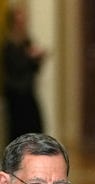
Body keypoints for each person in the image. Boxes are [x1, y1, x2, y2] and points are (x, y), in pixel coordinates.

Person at [2, 4, 46, 143]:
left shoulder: (26, 41)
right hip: (15, 92)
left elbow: (34, 68)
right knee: (17, 130)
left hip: (28, 91)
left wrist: (38, 58)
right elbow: (15, 67)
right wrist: (30, 57)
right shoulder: (8, 44)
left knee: (35, 126)